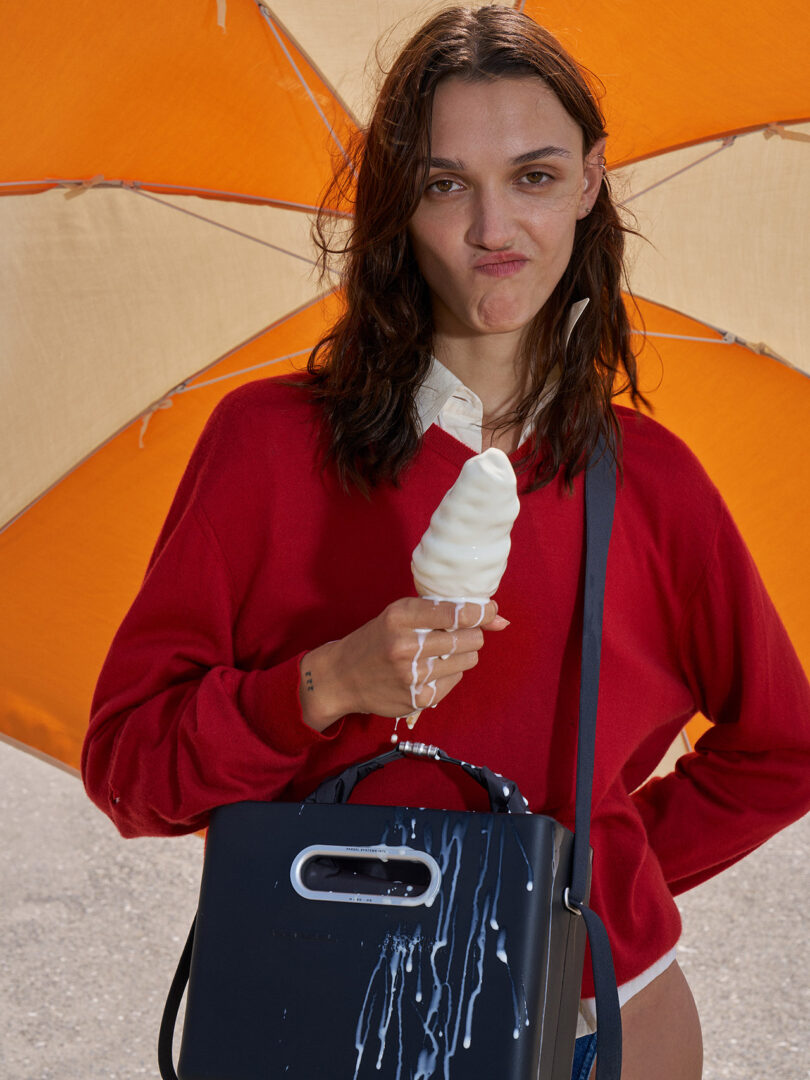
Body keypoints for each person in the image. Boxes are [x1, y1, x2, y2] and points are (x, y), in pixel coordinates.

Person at [81, 6, 810, 1079]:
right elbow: (129, 771)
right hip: (317, 1008)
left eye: (536, 175)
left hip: (595, 1028)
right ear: (397, 206)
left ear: (592, 183)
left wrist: (599, 868)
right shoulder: (265, 448)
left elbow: (783, 749)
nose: (493, 229)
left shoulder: (652, 484)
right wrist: (323, 685)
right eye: (444, 184)